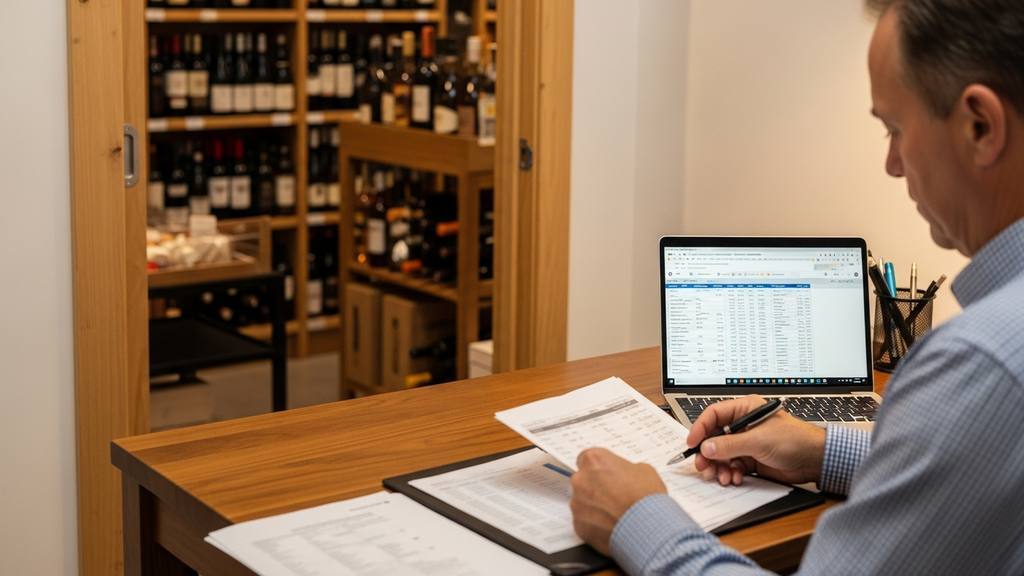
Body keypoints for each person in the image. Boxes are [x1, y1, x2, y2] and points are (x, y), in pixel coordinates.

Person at [569, 1, 1024, 574]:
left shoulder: (981, 364)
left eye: (895, 128)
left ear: (980, 125)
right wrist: (821, 450)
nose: (891, 164)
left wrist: (637, 516)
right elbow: (979, 469)